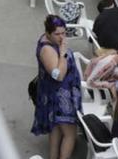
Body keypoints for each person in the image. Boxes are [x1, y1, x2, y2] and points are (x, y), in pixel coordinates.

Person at [32, 15, 82, 159]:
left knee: (56, 130)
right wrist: (63, 54)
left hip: (58, 96)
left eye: (63, 33)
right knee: (70, 134)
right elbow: (58, 75)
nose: (62, 37)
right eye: (57, 34)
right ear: (48, 33)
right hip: (60, 99)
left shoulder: (54, 42)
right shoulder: (48, 50)